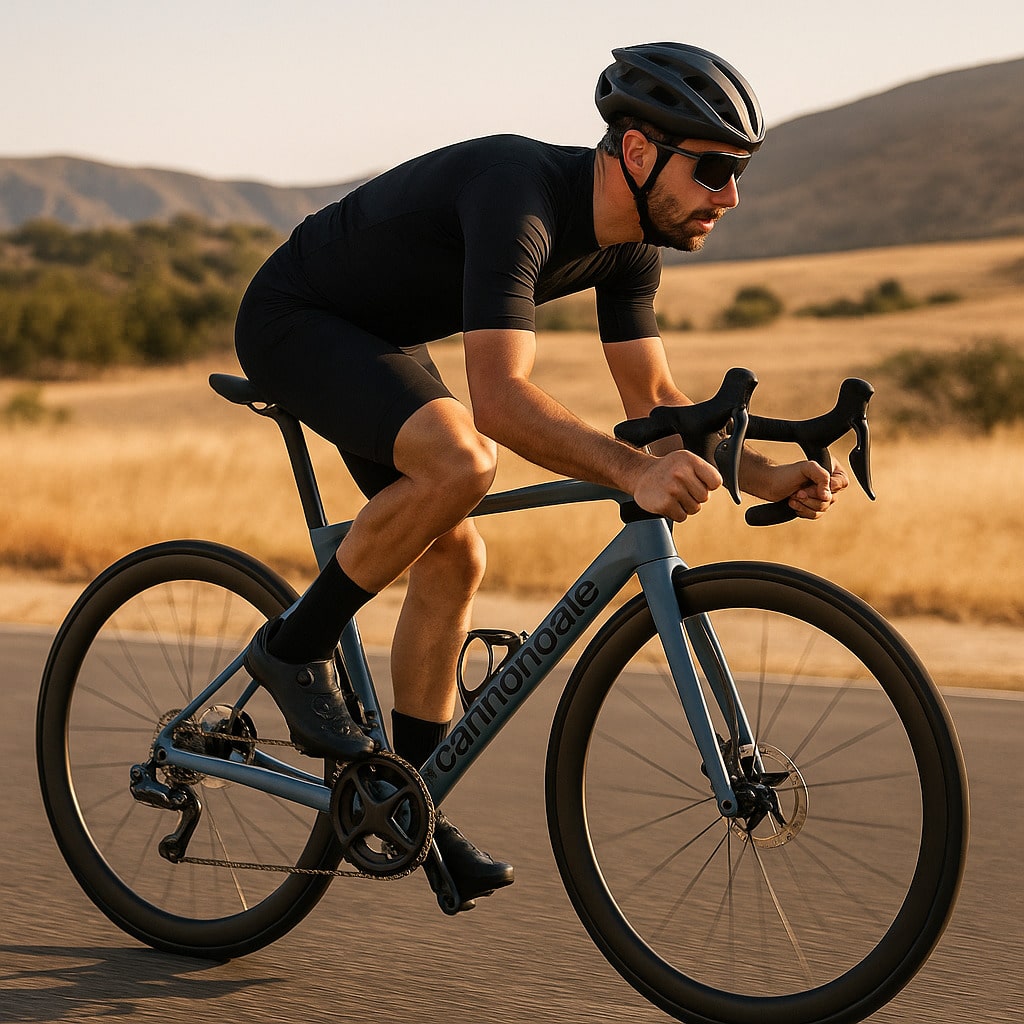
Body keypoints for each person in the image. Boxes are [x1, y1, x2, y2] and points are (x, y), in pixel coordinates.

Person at [233, 41, 849, 909]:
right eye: (711, 170)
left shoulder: (632, 246)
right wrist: (634, 473)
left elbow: (658, 403)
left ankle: (406, 802)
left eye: (737, 173)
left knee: (457, 557)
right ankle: (293, 651)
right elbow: (501, 399)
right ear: (637, 152)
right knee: (462, 460)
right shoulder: (517, 194)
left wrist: (766, 473)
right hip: (296, 317)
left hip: (378, 341)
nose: (730, 195)